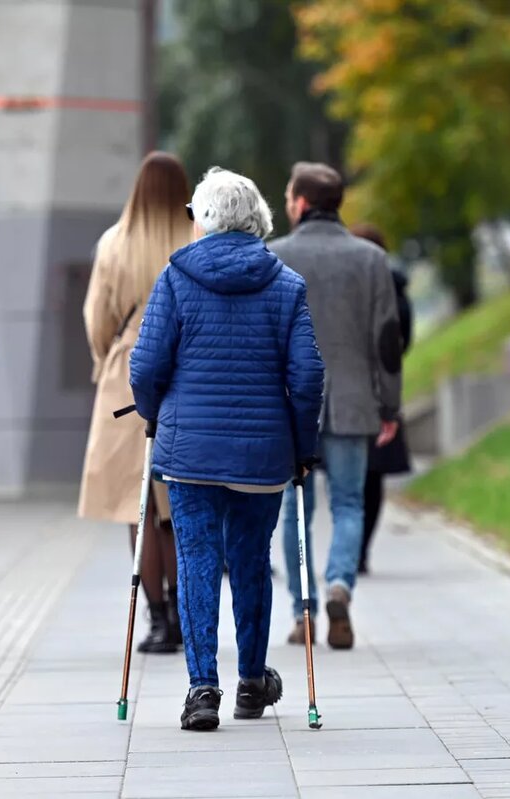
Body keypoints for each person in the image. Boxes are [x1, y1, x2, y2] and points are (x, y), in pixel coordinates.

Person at [130, 167, 325, 731]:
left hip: (190, 451)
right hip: (263, 453)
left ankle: (201, 691)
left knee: (195, 559)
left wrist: (154, 413)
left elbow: (145, 366)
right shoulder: (286, 284)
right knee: (250, 560)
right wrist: (302, 446)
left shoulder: (175, 278)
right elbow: (308, 376)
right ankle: (251, 681)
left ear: (204, 218)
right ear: (257, 218)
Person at [270, 162, 402, 651]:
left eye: (288, 196)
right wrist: (389, 405)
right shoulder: (371, 260)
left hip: (292, 406)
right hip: (352, 402)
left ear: (302, 203)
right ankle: (340, 586)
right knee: (349, 502)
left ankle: (301, 611)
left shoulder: (275, 255)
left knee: (294, 508)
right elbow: (386, 342)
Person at [78, 151, 194, 654]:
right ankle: (187, 610)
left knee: (138, 506)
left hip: (126, 377)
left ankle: (158, 620)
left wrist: (108, 358)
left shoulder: (115, 243)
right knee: (179, 505)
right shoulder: (197, 238)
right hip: (187, 376)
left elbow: (96, 318)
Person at [349, 223, 413, 576]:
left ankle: (349, 553)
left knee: (349, 481)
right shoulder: (396, 289)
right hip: (382, 388)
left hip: (348, 390)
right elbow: (403, 341)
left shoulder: (348, 289)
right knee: (372, 478)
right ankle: (359, 552)